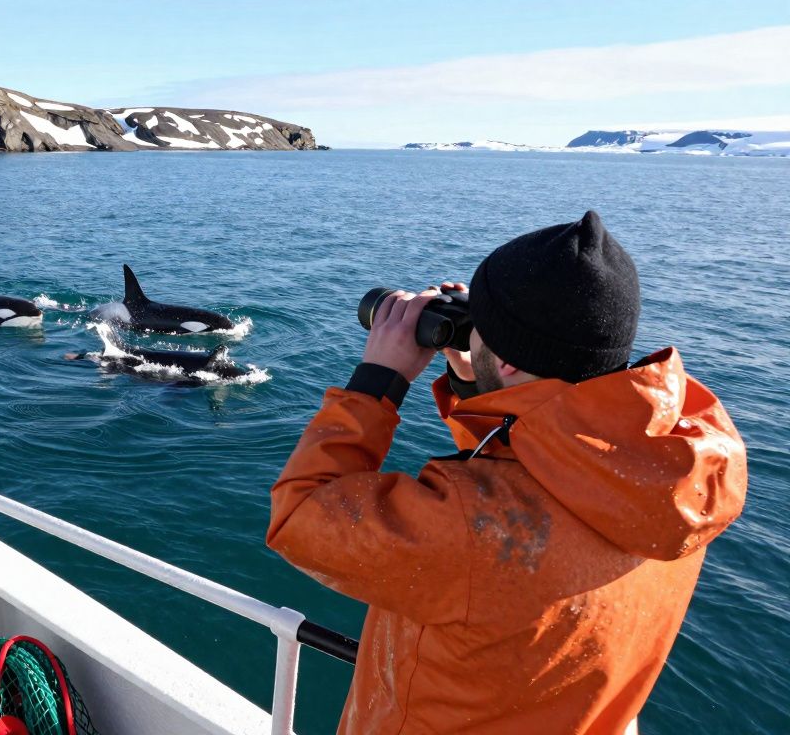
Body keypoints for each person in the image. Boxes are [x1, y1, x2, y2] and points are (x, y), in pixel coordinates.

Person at [267, 211, 746, 734]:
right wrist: (476, 380)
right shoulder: (682, 474)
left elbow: (300, 513)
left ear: (510, 363)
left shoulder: (471, 526)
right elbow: (545, 469)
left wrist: (378, 379)